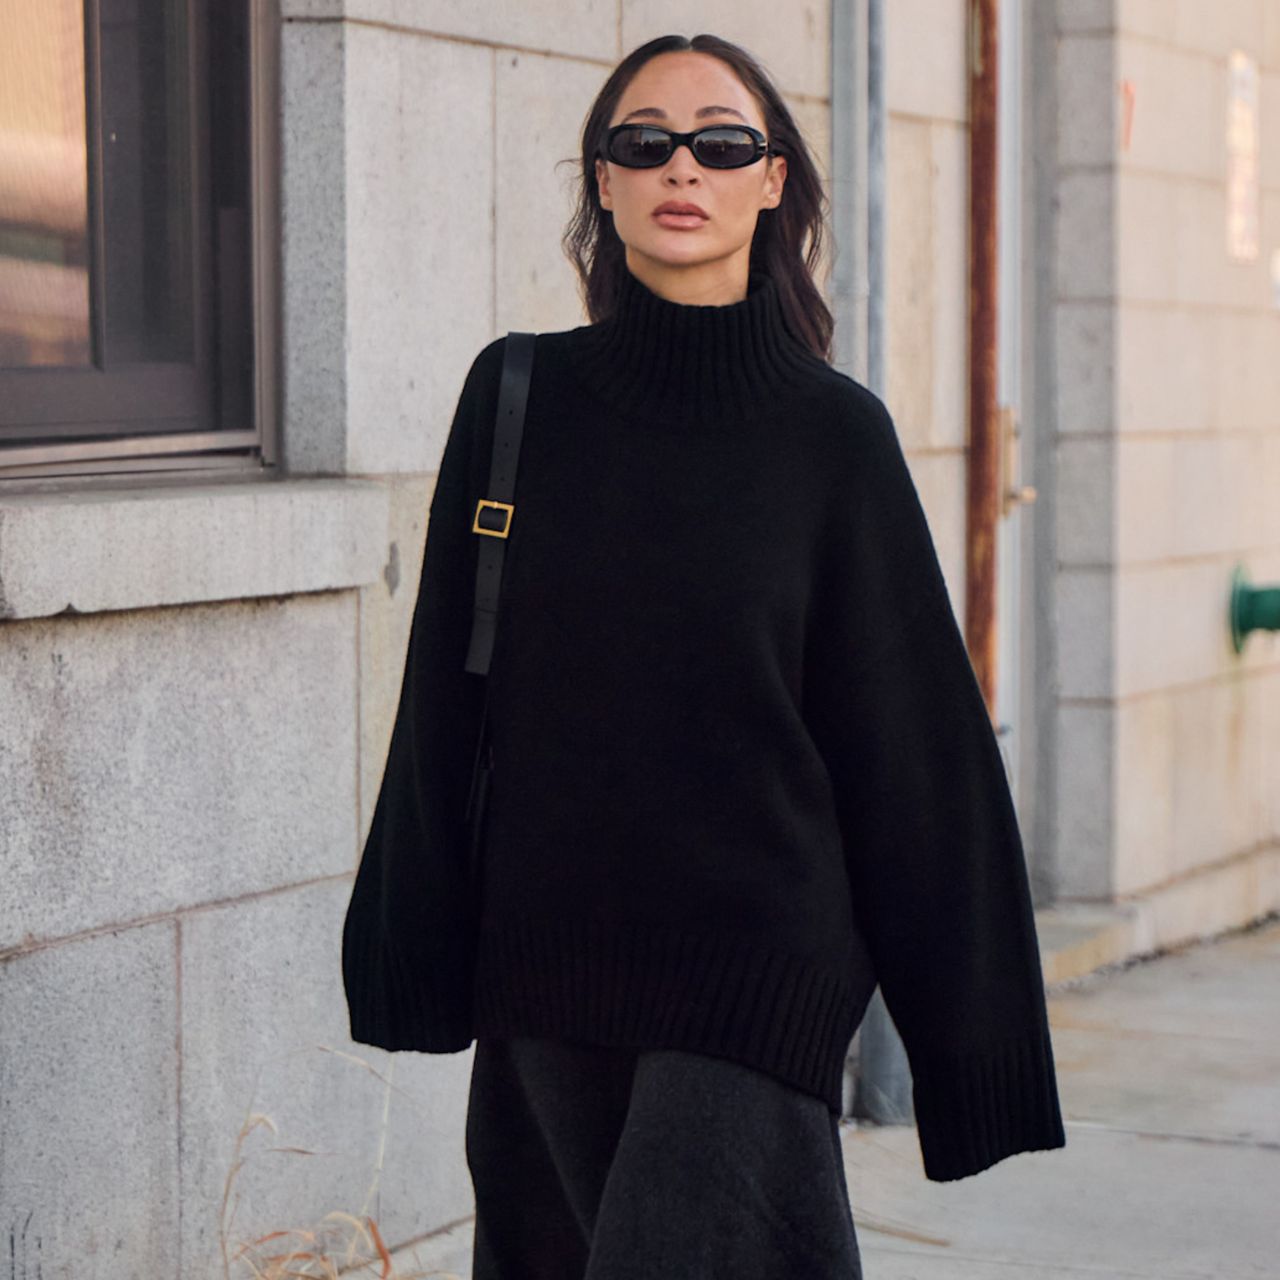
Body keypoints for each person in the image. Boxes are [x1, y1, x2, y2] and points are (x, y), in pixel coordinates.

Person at [341, 30, 1066, 1279]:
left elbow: (915, 752)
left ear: (769, 181)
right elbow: (445, 702)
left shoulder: (833, 440)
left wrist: (972, 1055)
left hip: (751, 977)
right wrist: (413, 951)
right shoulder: (514, 400)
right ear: (604, 180)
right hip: (546, 965)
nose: (683, 167)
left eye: (721, 143)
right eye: (645, 142)